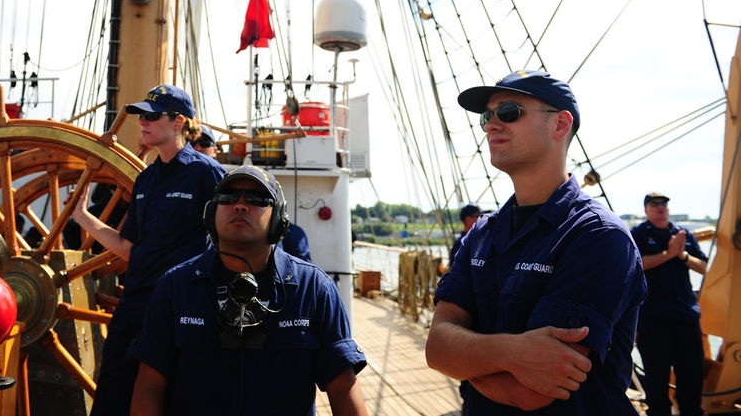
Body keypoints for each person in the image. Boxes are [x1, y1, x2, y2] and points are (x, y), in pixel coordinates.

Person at [426, 70, 647, 413]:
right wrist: (509, 353)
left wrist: (466, 362)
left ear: (560, 125)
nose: (491, 125)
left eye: (509, 112)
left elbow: (530, 392)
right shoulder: (482, 235)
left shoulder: (598, 237)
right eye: (488, 115)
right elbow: (436, 349)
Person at [128, 165, 367, 415]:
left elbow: (342, 387)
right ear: (211, 213)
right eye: (228, 197)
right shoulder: (175, 286)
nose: (240, 205)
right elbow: (149, 385)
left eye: (256, 199)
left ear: (278, 219)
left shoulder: (314, 290)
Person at [72, 84, 226, 416]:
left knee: (175, 401)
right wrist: (84, 219)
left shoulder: (207, 174)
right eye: (141, 115)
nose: (142, 122)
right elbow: (129, 248)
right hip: (134, 309)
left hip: (181, 310)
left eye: (152, 116)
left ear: (178, 122)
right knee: (112, 398)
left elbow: (232, 241)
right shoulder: (145, 180)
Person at [631, 193, 707, 416]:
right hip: (654, 319)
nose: (660, 207)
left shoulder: (682, 234)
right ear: (646, 209)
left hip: (686, 317)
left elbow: (704, 267)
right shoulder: (639, 234)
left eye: (664, 203)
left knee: (692, 375)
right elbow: (637, 264)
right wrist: (669, 253)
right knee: (656, 378)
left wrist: (682, 255)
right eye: (654, 204)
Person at [448, 203, 489, 270]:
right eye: (480, 216)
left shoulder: (477, 240)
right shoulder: (461, 244)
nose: (484, 219)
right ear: (469, 219)